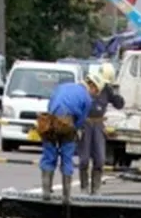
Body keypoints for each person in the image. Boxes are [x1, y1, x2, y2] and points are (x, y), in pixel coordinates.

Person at [38, 72, 99, 199]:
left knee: (49, 155)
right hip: (68, 123)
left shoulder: (63, 87)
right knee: (67, 158)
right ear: (92, 87)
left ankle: (46, 192)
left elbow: (51, 104)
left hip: (51, 120)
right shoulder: (87, 99)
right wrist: (74, 130)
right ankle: (66, 196)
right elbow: (81, 121)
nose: (95, 95)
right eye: (96, 91)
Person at [78, 64, 123, 196]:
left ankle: (96, 188)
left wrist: (115, 93)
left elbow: (119, 104)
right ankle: (84, 187)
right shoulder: (85, 87)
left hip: (98, 125)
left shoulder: (107, 90)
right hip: (85, 123)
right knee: (84, 159)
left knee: (100, 159)